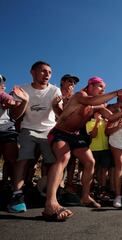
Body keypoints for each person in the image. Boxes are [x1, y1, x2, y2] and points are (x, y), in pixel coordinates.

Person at [43, 76, 122, 221]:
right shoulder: (80, 96)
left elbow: (111, 117)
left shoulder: (97, 106)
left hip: (75, 135)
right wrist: (117, 93)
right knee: (64, 157)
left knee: (90, 161)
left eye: (104, 89)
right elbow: (91, 101)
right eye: (100, 87)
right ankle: (51, 203)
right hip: (59, 133)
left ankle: (85, 196)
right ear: (90, 86)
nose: (102, 91)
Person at [7, 61, 61, 213]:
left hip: (48, 131)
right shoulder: (22, 89)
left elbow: (60, 115)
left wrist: (57, 106)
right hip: (28, 128)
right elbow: (14, 116)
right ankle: (16, 195)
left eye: (49, 72)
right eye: (43, 71)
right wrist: (24, 101)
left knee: (53, 162)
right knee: (24, 158)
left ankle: (51, 195)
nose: (47, 75)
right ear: (33, 72)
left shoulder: (55, 90)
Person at [0, 75, 29, 189]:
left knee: (12, 159)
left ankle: (15, 189)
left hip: (7, 129)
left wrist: (15, 102)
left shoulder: (5, 94)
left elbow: (12, 103)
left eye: (1, 82)